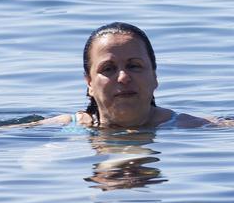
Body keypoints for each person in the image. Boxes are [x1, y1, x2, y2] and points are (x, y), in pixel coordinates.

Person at [32, 22, 217, 130]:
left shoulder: (190, 126)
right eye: (108, 69)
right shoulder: (65, 128)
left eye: (134, 66)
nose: (123, 77)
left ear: (155, 77)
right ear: (89, 83)